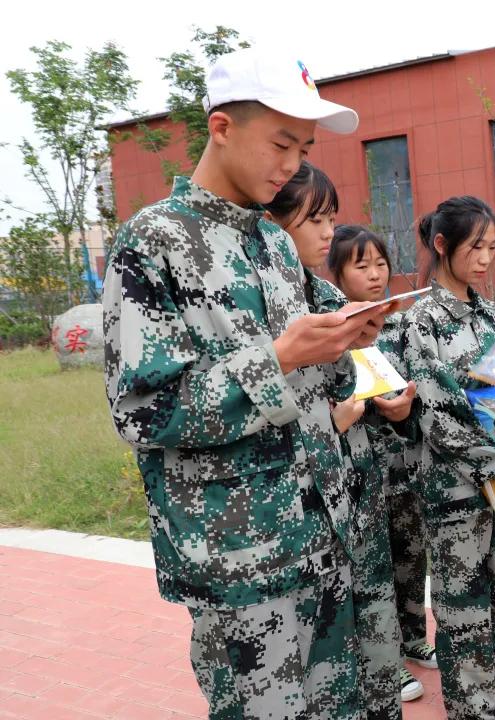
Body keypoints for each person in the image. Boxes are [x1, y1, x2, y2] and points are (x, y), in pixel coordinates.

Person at [103, 48, 393, 719]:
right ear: (223, 127)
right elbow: (145, 410)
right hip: (242, 565)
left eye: (306, 147)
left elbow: (319, 379)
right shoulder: (153, 243)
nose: (294, 165)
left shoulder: (272, 243)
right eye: (282, 142)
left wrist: (345, 341)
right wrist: (281, 358)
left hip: (325, 535)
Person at [266, 163, 415, 719]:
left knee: (377, 641)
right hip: (301, 512)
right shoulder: (260, 304)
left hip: (359, 491)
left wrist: (388, 401)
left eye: (332, 217)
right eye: (314, 219)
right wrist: (335, 419)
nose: (328, 231)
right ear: (274, 223)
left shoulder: (327, 295)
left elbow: (355, 379)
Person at [400, 196, 495, 720]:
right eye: (476, 247)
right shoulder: (421, 322)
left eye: (493, 247)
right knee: (464, 613)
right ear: (442, 245)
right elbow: (437, 418)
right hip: (457, 495)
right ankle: (472, 710)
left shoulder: (488, 313)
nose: (487, 258)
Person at [327, 223, 433, 704]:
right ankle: (385, 658)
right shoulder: (329, 332)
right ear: (338, 273)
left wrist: (405, 409)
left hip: (403, 465)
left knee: (412, 557)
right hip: (357, 474)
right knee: (373, 569)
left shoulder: (402, 326)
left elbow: (418, 391)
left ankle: (414, 638)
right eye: (361, 265)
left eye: (380, 263)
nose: (374, 274)